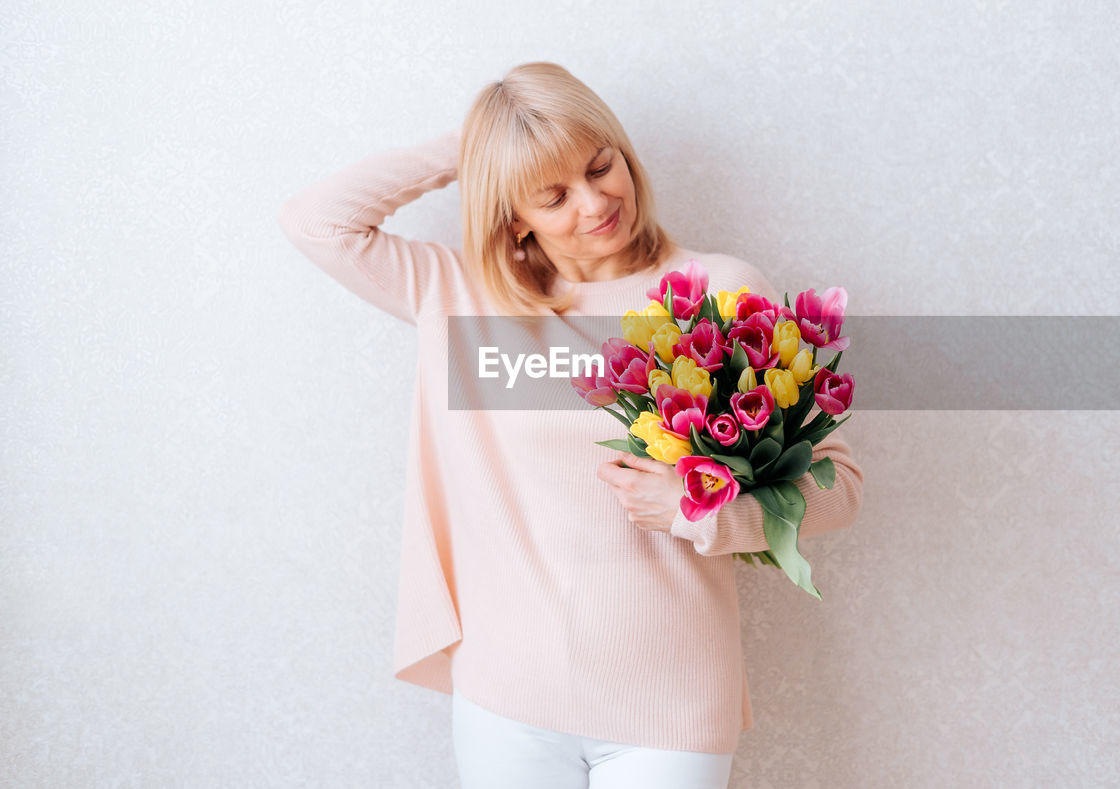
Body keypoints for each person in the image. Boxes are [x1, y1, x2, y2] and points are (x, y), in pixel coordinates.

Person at [277, 61, 864, 788]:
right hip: (508, 694)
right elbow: (315, 221)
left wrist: (704, 513)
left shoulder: (722, 290)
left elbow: (840, 486)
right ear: (512, 213)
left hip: (671, 698)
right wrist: (479, 142)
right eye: (552, 194)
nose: (595, 203)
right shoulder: (462, 296)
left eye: (599, 164)